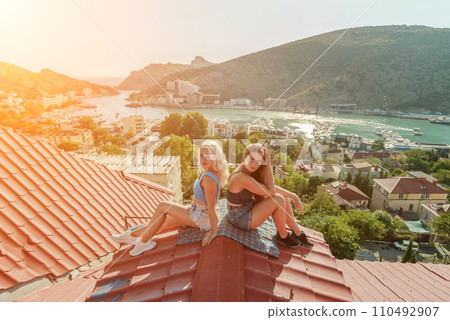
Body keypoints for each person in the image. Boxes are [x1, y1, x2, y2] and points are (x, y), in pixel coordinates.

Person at [112, 140, 229, 256]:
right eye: (201, 155)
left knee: (163, 205)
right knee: (162, 222)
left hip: (201, 216)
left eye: (208, 155)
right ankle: (131, 236)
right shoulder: (212, 171)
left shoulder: (209, 177)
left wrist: (214, 230)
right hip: (196, 212)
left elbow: (212, 205)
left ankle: (144, 241)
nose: (203, 159)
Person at [226, 143, 313, 248]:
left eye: (258, 161)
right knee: (279, 199)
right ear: (244, 157)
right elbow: (270, 191)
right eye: (251, 158)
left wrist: (293, 195)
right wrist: (268, 165)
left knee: (283, 196)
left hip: (246, 210)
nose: (254, 164)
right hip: (240, 218)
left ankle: (297, 232)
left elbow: (269, 188)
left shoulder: (248, 170)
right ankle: (283, 236)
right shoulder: (240, 177)